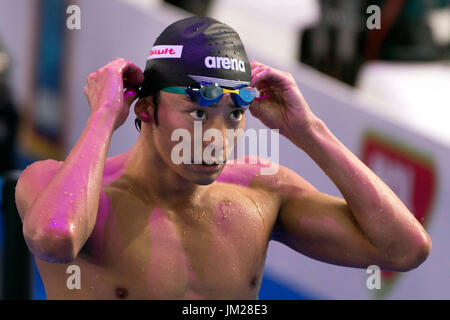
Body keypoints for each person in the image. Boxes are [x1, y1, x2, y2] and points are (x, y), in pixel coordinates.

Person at [14, 16, 430, 300]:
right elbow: (56, 238)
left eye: (234, 115)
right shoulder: (52, 183)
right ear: (146, 110)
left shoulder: (262, 193)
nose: (217, 139)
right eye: (198, 113)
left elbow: (404, 249)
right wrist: (104, 116)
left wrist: (309, 130)